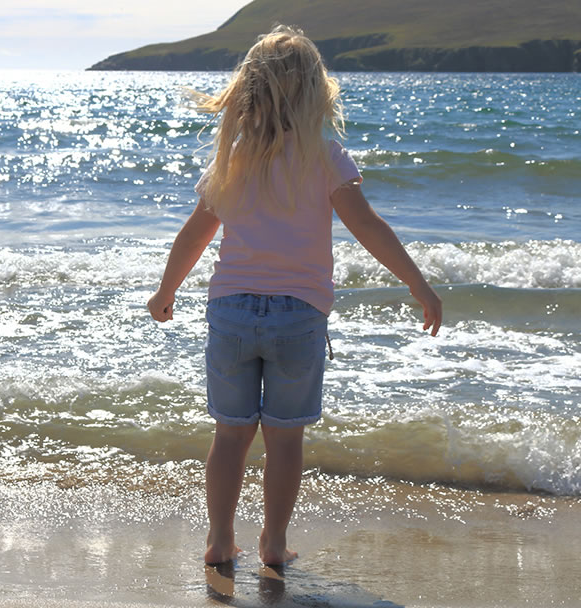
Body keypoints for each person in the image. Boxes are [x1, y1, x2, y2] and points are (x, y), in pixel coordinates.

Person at [147, 25, 442, 567]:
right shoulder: (326, 156)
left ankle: (217, 541)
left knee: (230, 435)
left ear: (249, 91)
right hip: (298, 316)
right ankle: (274, 545)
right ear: (314, 92)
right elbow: (368, 226)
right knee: (284, 441)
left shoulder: (233, 156)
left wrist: (167, 290)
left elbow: (195, 232)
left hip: (232, 311)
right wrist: (417, 283)